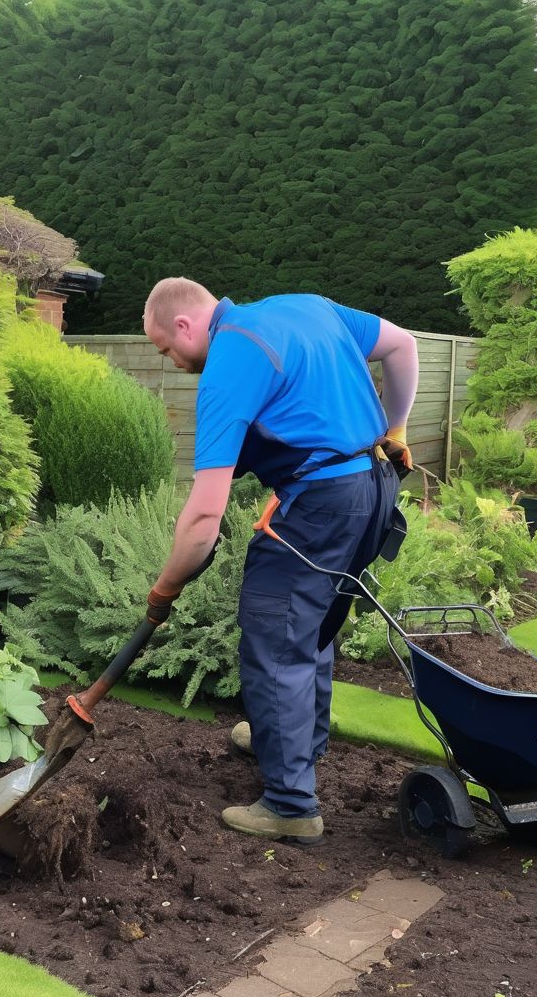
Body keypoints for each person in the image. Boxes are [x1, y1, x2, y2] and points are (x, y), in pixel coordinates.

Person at [142, 278, 418, 844]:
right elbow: (403, 346)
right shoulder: (307, 308)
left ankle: (290, 803)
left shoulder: (229, 362)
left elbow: (202, 519)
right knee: (311, 626)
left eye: (165, 348)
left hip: (324, 504)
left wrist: (165, 587)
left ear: (186, 325)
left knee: (275, 635)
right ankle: (292, 742)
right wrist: (397, 428)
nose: (170, 362)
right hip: (374, 487)